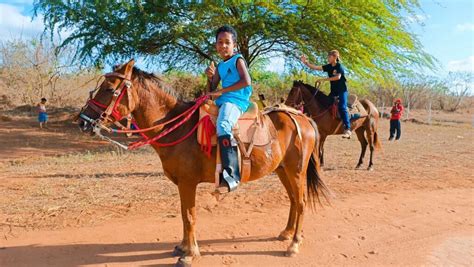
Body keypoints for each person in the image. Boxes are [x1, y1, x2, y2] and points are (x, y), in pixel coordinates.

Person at [205, 25, 252, 193]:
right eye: (220, 42)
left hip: (236, 100)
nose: (223, 46)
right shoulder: (219, 66)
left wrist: (221, 91)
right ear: (216, 45)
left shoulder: (237, 59)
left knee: (224, 124)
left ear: (234, 45)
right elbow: (210, 91)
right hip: (223, 100)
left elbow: (246, 81)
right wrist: (209, 77)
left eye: (227, 42)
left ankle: (232, 176)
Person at [301, 50, 352, 138]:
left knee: (342, 107)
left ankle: (347, 129)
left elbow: (338, 77)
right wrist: (306, 63)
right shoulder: (328, 66)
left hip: (342, 91)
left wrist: (323, 80)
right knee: (324, 105)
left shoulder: (339, 66)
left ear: (335, 57)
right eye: (328, 56)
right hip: (333, 92)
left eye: (329, 56)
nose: (328, 58)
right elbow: (316, 67)